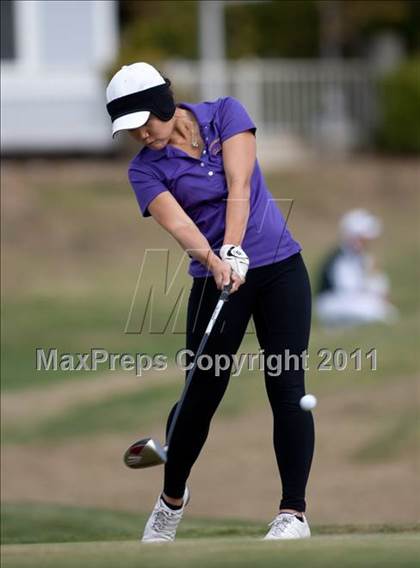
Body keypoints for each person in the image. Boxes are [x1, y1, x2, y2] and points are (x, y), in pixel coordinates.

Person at [106, 62, 315, 542]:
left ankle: (293, 515)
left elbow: (240, 186)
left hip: (281, 269)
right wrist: (216, 261)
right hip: (214, 280)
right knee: (201, 393)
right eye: (130, 129)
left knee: (288, 390)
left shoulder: (225, 114)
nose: (140, 134)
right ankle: (170, 502)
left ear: (163, 105)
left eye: (144, 121)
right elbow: (179, 225)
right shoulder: (144, 170)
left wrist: (235, 248)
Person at [316, 209, 398, 327]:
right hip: (332, 302)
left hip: (352, 300)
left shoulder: (363, 257)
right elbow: (347, 291)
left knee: (387, 312)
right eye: (363, 238)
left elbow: (379, 286)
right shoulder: (339, 258)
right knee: (374, 312)